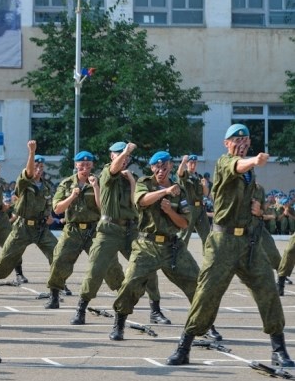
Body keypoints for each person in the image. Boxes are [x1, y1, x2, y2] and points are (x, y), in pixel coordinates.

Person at [166, 123, 293, 368]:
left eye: (245, 140)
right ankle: (184, 346)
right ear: (227, 143)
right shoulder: (225, 163)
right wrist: (255, 160)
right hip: (222, 242)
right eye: (236, 140)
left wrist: (258, 209)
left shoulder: (250, 175)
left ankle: (279, 349)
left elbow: (253, 199)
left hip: (248, 242)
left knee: (268, 289)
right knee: (207, 294)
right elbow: (237, 166)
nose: (241, 143)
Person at [108, 151, 220, 341]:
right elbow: (141, 200)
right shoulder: (145, 182)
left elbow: (184, 223)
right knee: (130, 283)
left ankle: (206, 324)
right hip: (147, 245)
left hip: (172, 247)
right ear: (152, 168)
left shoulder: (179, 190)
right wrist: (164, 192)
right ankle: (119, 323)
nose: (160, 170)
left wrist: (169, 211)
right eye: (156, 167)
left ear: (170, 167)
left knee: (196, 283)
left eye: (164, 166)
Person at [70, 142, 170, 326]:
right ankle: (81, 308)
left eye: (127, 157)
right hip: (109, 230)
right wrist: (125, 152)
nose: (124, 159)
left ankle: (155, 310)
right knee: (95, 269)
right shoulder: (107, 172)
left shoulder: (134, 178)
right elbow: (115, 169)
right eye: (119, 155)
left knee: (148, 267)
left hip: (131, 230)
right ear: (112, 156)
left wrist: (132, 181)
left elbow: (137, 203)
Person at [0, 141, 57, 295]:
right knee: (7, 256)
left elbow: (48, 203)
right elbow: (28, 173)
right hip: (22, 227)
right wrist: (31, 152)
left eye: (41, 167)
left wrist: (49, 215)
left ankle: (57, 286)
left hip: (40, 227)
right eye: (35, 166)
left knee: (57, 253)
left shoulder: (46, 186)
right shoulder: (23, 182)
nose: (38, 170)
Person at [44, 151, 108, 308]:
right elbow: (57, 209)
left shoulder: (98, 182)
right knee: (59, 260)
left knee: (107, 262)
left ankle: (122, 291)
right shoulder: (66, 184)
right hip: (72, 230)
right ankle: (54, 296)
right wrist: (72, 196)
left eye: (88, 164)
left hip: (93, 230)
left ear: (92, 165)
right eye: (81, 164)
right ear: (76, 165)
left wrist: (96, 187)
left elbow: (103, 208)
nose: (85, 168)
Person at [177, 154, 210, 246]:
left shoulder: (199, 177)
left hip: (200, 209)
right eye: (191, 163)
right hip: (189, 208)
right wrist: (183, 161)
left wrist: (204, 185)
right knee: (184, 237)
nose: (193, 165)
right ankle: (179, 258)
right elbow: (179, 173)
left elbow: (206, 193)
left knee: (207, 236)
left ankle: (208, 258)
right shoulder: (185, 175)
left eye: (195, 163)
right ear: (187, 164)